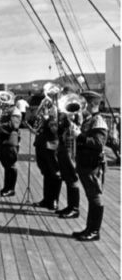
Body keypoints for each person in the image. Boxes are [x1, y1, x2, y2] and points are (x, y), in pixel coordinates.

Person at [71, 91, 108, 242]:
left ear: (92, 104)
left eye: (83, 103)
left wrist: (79, 135)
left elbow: (98, 144)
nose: (80, 106)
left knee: (95, 197)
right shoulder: (89, 119)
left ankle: (94, 231)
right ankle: (89, 228)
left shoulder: (98, 121)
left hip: (92, 165)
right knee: (90, 196)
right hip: (85, 163)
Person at [55, 86, 81, 219]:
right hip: (64, 145)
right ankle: (70, 206)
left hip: (71, 147)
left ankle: (74, 208)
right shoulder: (64, 111)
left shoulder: (76, 110)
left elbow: (78, 126)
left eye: (65, 94)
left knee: (72, 177)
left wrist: (71, 118)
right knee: (66, 176)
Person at [32, 92, 62, 210]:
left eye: (52, 96)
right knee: (45, 172)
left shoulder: (59, 111)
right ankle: (46, 199)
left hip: (51, 145)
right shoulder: (46, 109)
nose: (48, 99)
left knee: (54, 173)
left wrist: (47, 119)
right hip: (40, 144)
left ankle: (54, 200)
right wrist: (37, 117)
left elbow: (55, 130)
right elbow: (36, 126)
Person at [0, 92, 22, 197]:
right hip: (1, 140)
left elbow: (13, 125)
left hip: (10, 141)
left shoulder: (15, 111)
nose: (2, 101)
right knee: (6, 165)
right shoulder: (3, 110)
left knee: (10, 165)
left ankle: (11, 189)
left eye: (4, 99)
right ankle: (6, 187)